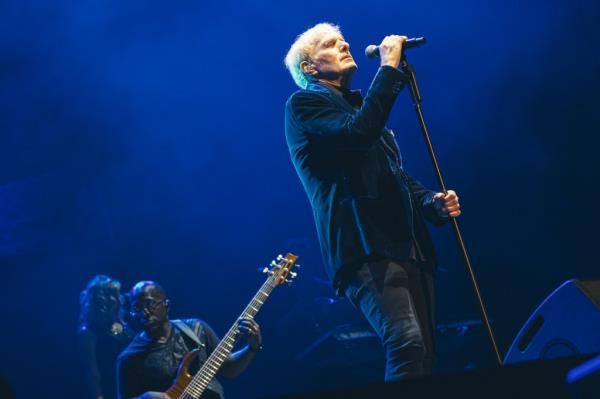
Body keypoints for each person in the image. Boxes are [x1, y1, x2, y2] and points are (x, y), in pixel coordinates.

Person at [283, 23, 461, 381]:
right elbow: (357, 134)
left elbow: (393, 174)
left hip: (406, 243)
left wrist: (430, 202)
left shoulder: (360, 108)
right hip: (364, 245)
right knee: (406, 342)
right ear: (309, 67)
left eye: (343, 40)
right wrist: (388, 70)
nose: (345, 45)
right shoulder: (305, 104)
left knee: (425, 355)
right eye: (331, 45)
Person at [116, 281, 261, 399]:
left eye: (150, 304)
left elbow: (230, 369)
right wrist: (146, 398)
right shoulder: (129, 358)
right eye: (137, 308)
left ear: (167, 305)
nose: (144, 313)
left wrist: (252, 347)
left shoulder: (196, 329)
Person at [78, 275, 135, 399]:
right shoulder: (88, 331)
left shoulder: (121, 322)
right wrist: (98, 396)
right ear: (100, 298)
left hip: (133, 385)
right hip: (111, 389)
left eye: (117, 294)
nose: (119, 299)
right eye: (114, 295)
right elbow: (92, 372)